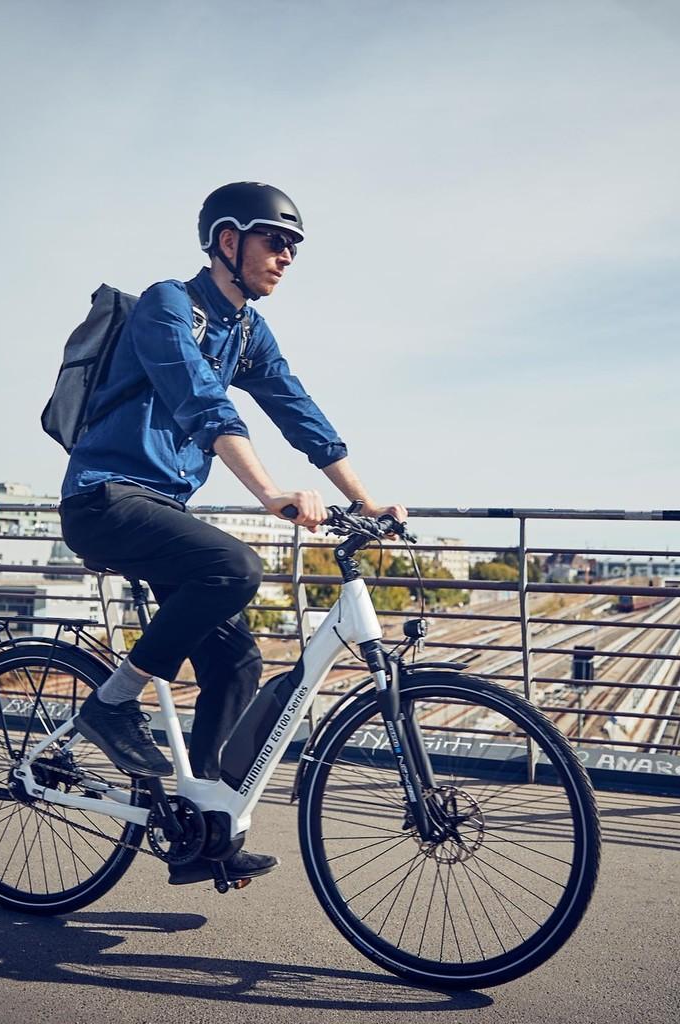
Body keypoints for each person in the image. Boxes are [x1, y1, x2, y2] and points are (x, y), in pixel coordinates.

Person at [59, 181, 407, 885]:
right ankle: (111, 704)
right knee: (235, 567)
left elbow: (295, 407)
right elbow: (203, 402)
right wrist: (271, 493)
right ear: (227, 240)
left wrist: (367, 501)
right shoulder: (168, 305)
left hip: (162, 509)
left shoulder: (248, 330)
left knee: (238, 661)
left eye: (294, 247)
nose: (287, 257)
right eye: (276, 241)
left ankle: (206, 827)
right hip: (104, 498)